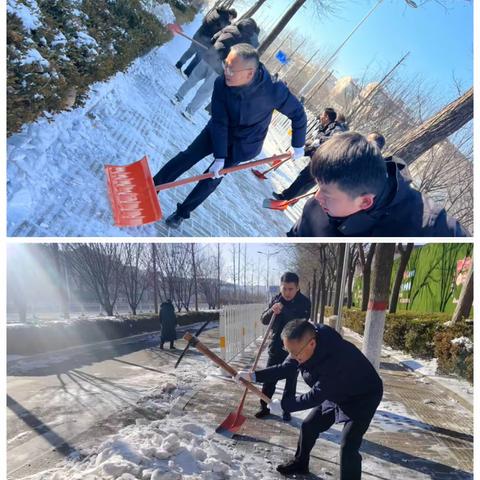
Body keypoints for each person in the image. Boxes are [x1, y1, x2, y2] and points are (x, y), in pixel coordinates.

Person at [154, 43, 307, 228]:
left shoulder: (273, 90)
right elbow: (219, 121)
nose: (226, 70)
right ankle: (154, 186)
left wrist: (298, 144)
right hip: (218, 130)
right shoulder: (221, 83)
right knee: (188, 156)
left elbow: (298, 113)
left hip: (244, 144)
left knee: (212, 177)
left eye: (232, 69)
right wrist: (219, 156)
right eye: (226, 64)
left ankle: (181, 213)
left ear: (249, 73)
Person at [235, 319, 383, 479]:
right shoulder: (302, 346)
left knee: (349, 445)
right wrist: (253, 375)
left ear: (312, 344)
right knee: (308, 426)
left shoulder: (335, 359)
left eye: (295, 353)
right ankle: (300, 463)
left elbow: (315, 397)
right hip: (335, 391)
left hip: (362, 395)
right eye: (288, 351)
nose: (292, 356)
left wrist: (285, 406)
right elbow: (286, 367)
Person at [287, 132, 469, 237]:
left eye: (326, 194)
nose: (316, 197)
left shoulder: (429, 225)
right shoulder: (316, 208)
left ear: (365, 202)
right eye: (318, 187)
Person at [172, 18, 260, 120]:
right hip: (220, 67)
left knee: (192, 79)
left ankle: (177, 97)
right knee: (204, 91)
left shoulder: (230, 28)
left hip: (208, 56)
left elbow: (214, 38)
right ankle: (189, 111)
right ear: (252, 31)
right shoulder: (247, 41)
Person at [256, 272, 311, 421]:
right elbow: (264, 320)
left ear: (297, 288)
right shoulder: (276, 299)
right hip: (275, 346)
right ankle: (264, 406)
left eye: (290, 289)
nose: (287, 292)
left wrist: (284, 310)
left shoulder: (304, 302)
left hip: (294, 349)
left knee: (290, 380)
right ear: (280, 287)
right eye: (284, 288)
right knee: (269, 379)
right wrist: (271, 310)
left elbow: (300, 322)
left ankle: (287, 409)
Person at [272, 107, 345, 201]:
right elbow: (314, 144)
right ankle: (289, 200)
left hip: (326, 162)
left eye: (322, 115)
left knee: (303, 178)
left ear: (327, 117)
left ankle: (284, 197)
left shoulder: (337, 129)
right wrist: (300, 148)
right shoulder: (325, 127)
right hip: (319, 157)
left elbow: (334, 140)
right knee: (306, 180)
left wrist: (320, 140)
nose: (320, 116)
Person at [175, 7, 237, 75]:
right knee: (199, 57)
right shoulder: (224, 19)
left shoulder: (217, 11)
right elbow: (219, 32)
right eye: (232, 18)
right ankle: (187, 72)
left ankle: (179, 64)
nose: (232, 20)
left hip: (200, 32)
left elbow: (206, 21)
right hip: (206, 39)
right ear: (231, 16)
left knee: (191, 50)